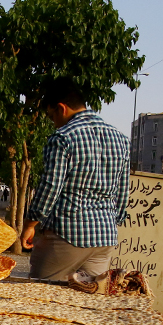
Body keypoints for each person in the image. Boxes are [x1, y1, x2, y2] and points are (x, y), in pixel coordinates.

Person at [20, 78, 130, 281]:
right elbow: (122, 194)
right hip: (104, 237)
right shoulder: (121, 139)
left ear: (61, 108)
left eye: (52, 115)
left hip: (66, 235)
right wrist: (110, 222)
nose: (53, 122)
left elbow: (50, 188)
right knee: (88, 301)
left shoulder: (63, 137)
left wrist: (30, 224)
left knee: (42, 298)